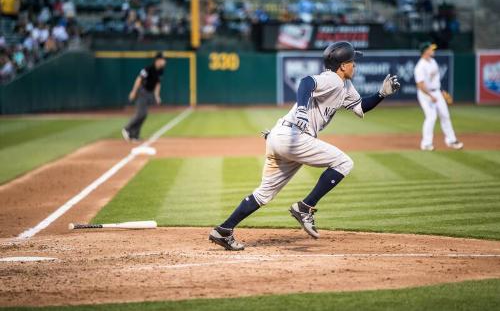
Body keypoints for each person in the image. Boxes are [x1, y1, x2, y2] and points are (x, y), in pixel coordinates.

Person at [209, 41, 401, 251]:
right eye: (352, 61)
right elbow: (306, 82)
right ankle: (304, 207)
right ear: (343, 66)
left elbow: (360, 106)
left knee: (263, 194)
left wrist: (381, 94)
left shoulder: (345, 86)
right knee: (344, 162)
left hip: (281, 137)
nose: (355, 65)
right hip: (294, 137)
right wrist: (302, 108)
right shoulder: (332, 80)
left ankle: (224, 230)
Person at [414, 42, 463, 151]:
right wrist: (430, 95)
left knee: (445, 115)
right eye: (431, 49)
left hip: (436, 92)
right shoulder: (420, 66)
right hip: (425, 94)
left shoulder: (433, 62)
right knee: (431, 117)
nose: (433, 50)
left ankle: (451, 140)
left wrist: (440, 92)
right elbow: (420, 85)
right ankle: (426, 144)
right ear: (425, 51)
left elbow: (435, 81)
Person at [122, 52, 165, 142]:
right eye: (163, 60)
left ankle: (135, 135)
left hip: (149, 93)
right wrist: (133, 91)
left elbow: (158, 84)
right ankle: (127, 128)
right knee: (140, 113)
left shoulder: (160, 70)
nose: (164, 61)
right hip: (142, 92)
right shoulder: (148, 69)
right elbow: (139, 79)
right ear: (158, 60)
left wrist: (157, 95)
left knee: (144, 115)